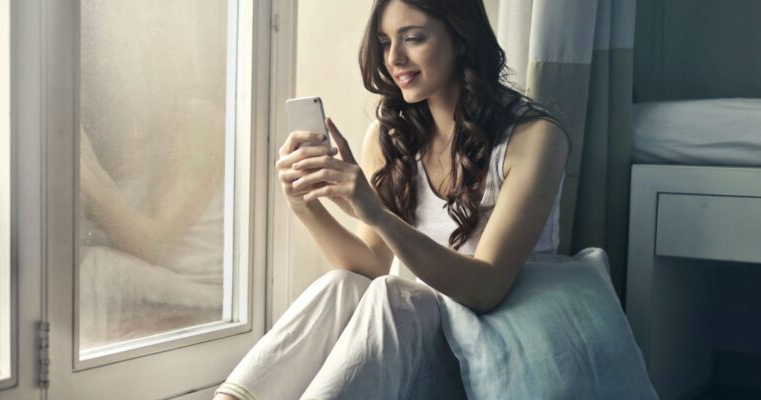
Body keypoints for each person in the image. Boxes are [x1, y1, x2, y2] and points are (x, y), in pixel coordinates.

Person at [214, 0, 570, 398]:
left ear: (462, 39)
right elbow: (368, 266)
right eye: (385, 42)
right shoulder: (393, 138)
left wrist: (379, 214)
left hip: (507, 333)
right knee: (342, 285)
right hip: (430, 329)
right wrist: (305, 204)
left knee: (392, 296)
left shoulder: (534, 137)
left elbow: (487, 289)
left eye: (413, 38)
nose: (394, 59)